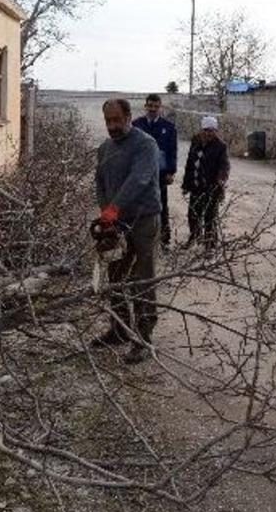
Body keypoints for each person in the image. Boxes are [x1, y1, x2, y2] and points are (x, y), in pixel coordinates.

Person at [93, 98, 162, 364]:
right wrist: (105, 212)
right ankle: (119, 329)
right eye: (108, 121)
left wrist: (115, 208)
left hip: (143, 218)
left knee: (143, 276)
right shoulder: (104, 149)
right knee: (116, 274)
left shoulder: (146, 144)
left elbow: (140, 179)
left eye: (116, 120)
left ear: (128, 117)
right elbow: (99, 182)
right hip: (116, 222)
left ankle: (144, 337)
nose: (112, 126)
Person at [132, 93, 177, 247]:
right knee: (139, 206)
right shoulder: (136, 125)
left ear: (160, 108)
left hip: (160, 175)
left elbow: (172, 151)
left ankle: (164, 241)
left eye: (155, 106)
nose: (152, 109)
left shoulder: (168, 127)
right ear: (145, 106)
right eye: (150, 106)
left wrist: (171, 172)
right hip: (140, 174)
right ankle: (140, 240)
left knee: (161, 206)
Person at [182, 116, 230, 251]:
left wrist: (220, 179)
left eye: (212, 130)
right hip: (196, 186)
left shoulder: (220, 146)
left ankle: (210, 246)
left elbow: (224, 166)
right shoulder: (195, 141)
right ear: (202, 130)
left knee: (210, 217)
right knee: (192, 214)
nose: (209, 133)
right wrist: (186, 184)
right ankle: (194, 238)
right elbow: (189, 163)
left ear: (216, 131)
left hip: (211, 188)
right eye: (206, 130)